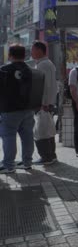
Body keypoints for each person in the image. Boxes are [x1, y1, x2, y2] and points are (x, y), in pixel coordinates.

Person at [0, 45, 37, 173]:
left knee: (9, 136)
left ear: (10, 55)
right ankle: (27, 163)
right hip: (28, 109)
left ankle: (9, 165)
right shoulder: (31, 70)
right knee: (27, 136)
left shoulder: (4, 70)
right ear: (24, 55)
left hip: (9, 109)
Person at [30, 41, 58, 165]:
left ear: (39, 50)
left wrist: (44, 103)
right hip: (47, 103)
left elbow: (44, 86)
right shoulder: (48, 63)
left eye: (33, 50)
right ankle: (51, 156)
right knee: (48, 130)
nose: (31, 52)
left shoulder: (43, 65)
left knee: (41, 132)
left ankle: (46, 157)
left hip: (43, 104)